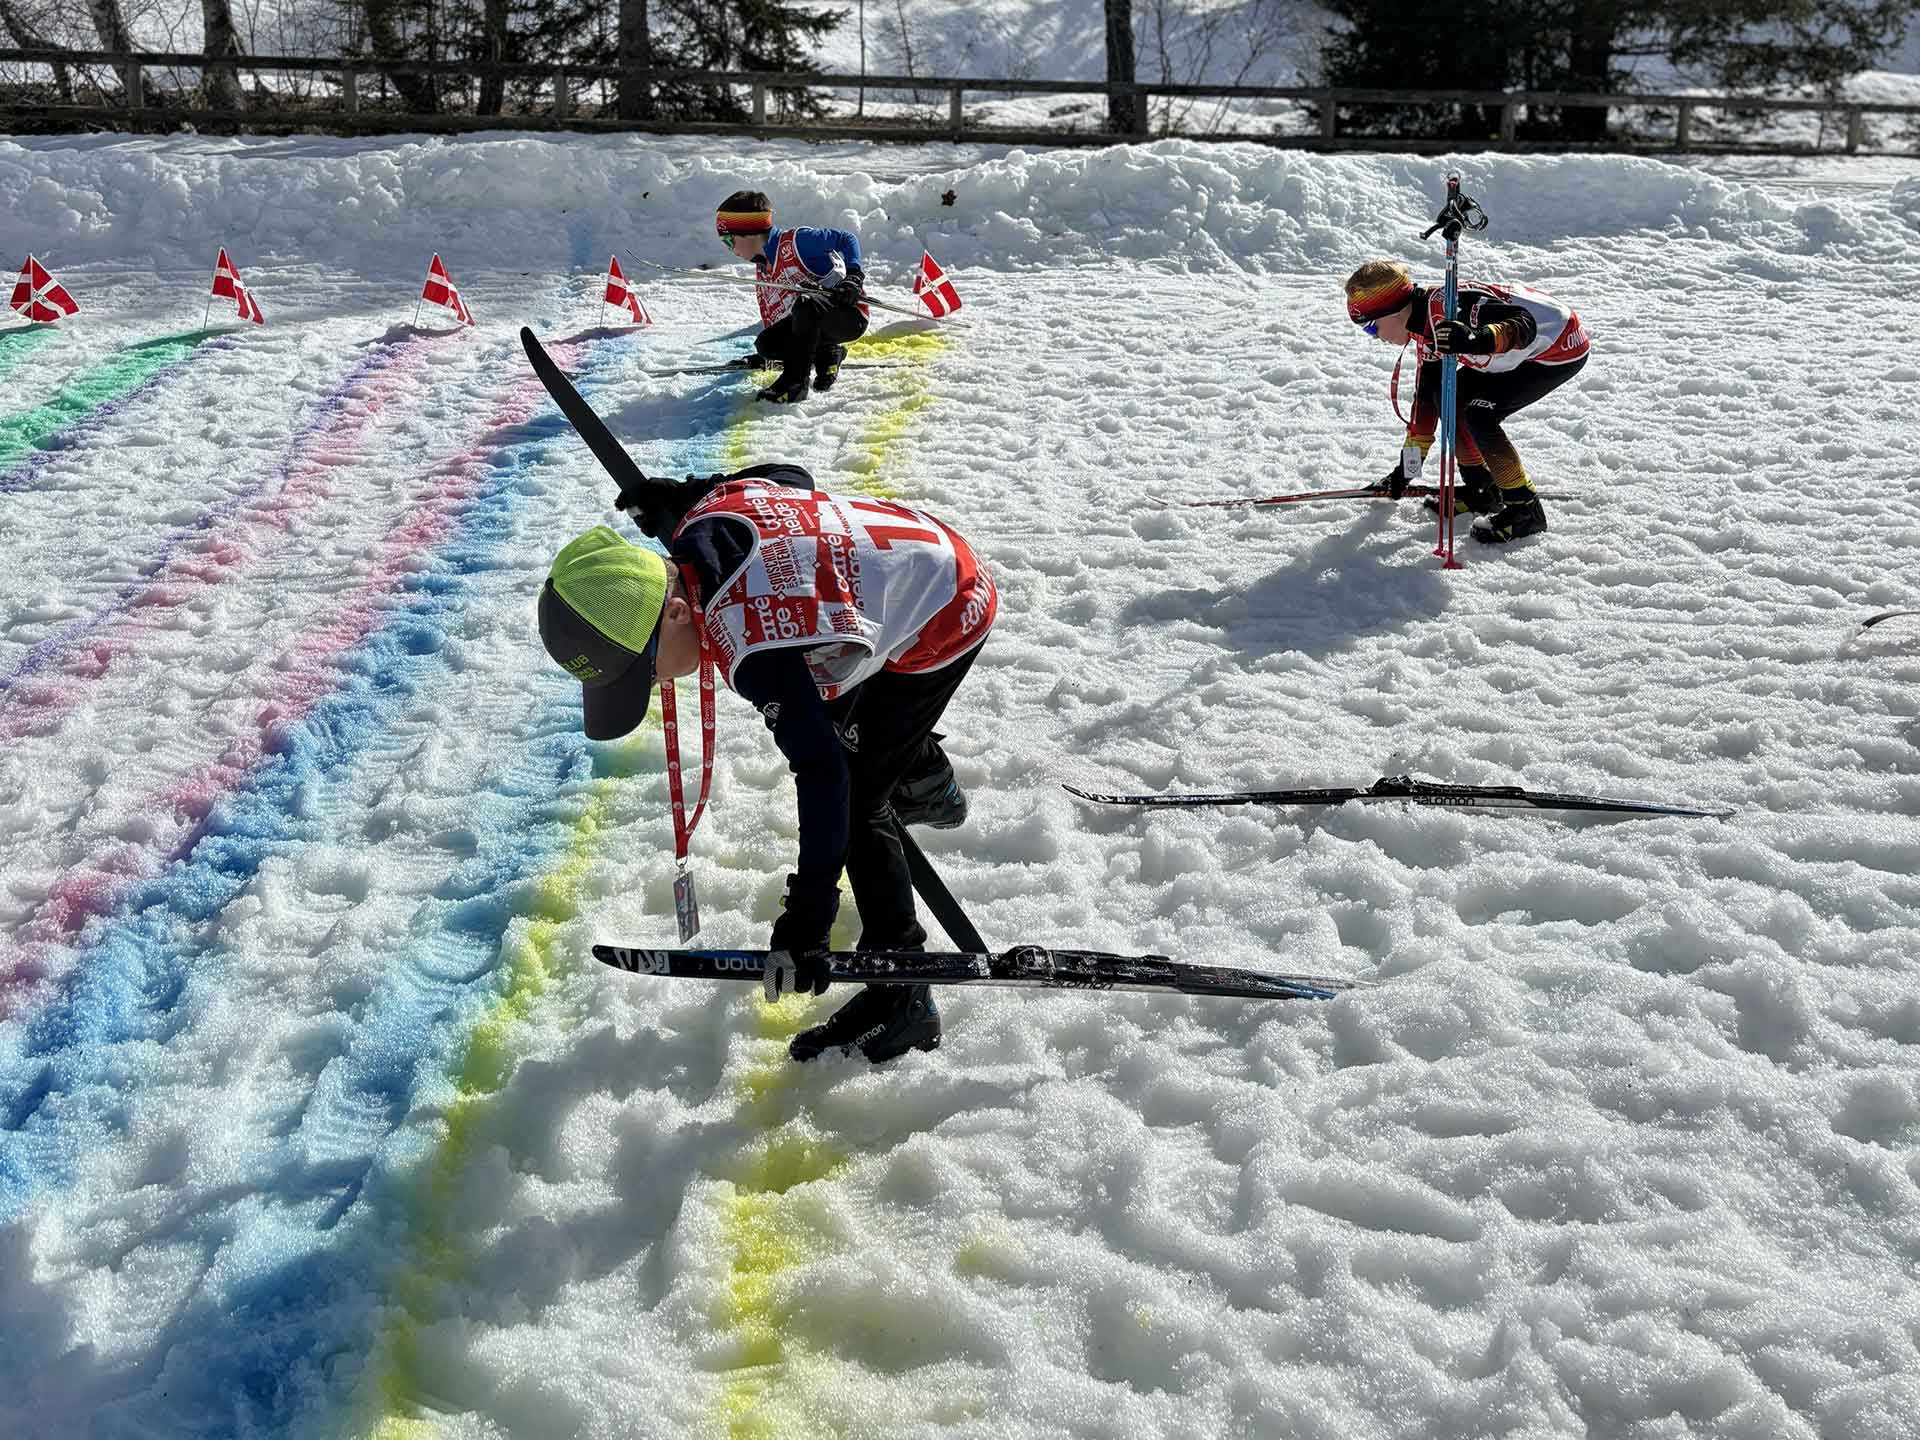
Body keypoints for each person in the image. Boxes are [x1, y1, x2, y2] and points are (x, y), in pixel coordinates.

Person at [538, 462, 995, 1064]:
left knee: (858, 802)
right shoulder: (707, 523)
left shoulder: (750, 643)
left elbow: (823, 774)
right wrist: (683, 495)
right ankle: (915, 768)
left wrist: (808, 918)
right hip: (916, 553)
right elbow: (789, 477)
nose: (655, 684)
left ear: (675, 613)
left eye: (646, 669)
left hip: (941, 614)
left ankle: (902, 996)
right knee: (846, 725)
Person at [1345, 259, 1589, 544]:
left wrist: (1477, 338)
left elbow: (1523, 324)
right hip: (1515, 354)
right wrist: (1405, 471)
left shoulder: (1451, 308)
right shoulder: (1424, 331)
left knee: (1479, 415)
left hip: (1557, 347)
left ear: (1394, 311)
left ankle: (1525, 510)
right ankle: (1481, 489)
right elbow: (1425, 408)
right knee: (1449, 398)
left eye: (1371, 328)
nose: (1375, 338)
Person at [715, 190, 870, 405]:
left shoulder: (796, 242)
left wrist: (854, 278)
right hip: (816, 323)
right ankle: (828, 353)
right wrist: (768, 357)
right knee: (767, 343)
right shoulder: (763, 269)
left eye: (729, 240)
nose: (730, 249)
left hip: (848, 315)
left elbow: (846, 239)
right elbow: (780, 324)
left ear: (747, 233)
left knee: (806, 304)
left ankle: (795, 383)